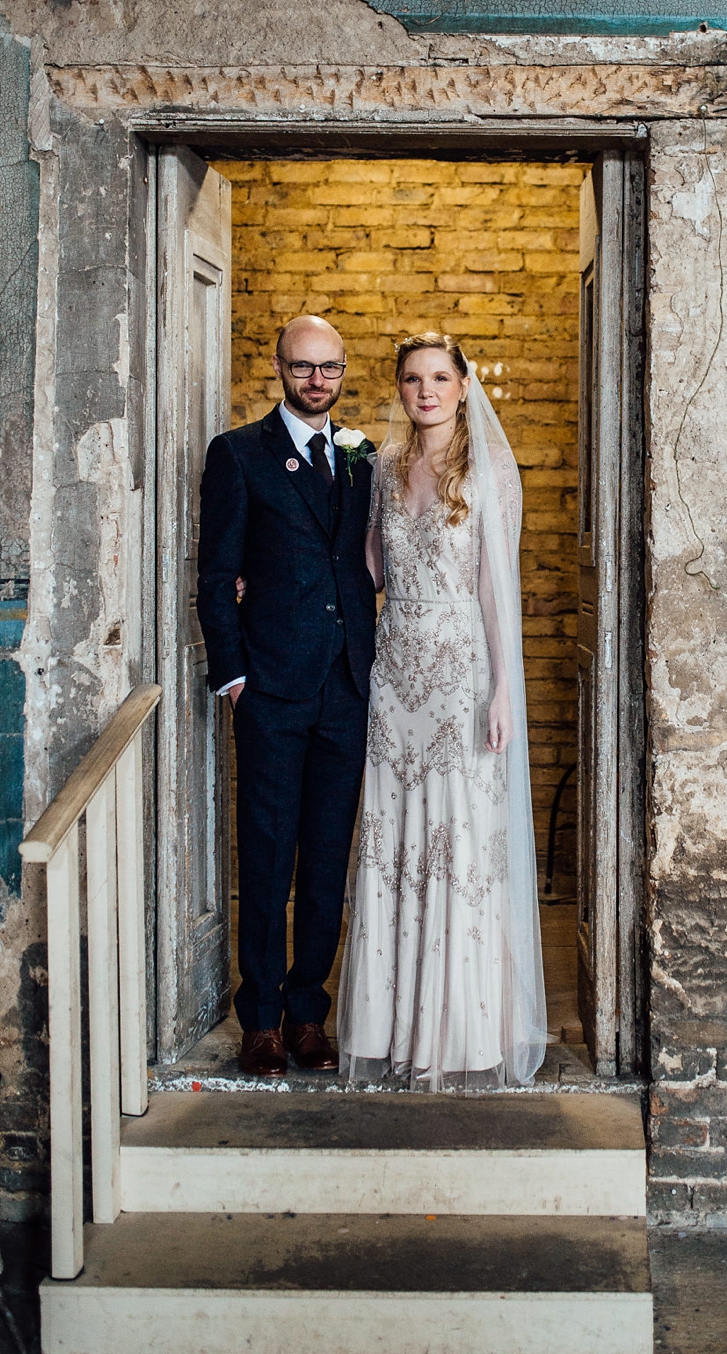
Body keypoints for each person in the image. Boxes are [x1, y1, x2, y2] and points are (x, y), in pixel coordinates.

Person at [337, 332, 547, 1089]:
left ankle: (457, 1034)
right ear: (399, 388)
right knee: (394, 843)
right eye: (411, 378)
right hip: (396, 675)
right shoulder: (385, 469)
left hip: (461, 671)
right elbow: (370, 570)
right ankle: (392, 1029)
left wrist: (503, 689)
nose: (424, 390)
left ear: (463, 386)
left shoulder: (489, 467)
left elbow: (496, 587)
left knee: (455, 843)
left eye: (438, 377)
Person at [196, 315, 377, 1077]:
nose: (317, 380)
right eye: (303, 367)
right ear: (279, 368)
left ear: (342, 371)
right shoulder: (239, 455)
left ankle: (310, 1014)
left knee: (328, 859)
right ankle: (261, 1020)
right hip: (270, 688)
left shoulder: (364, 458)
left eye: (329, 368)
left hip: (347, 687)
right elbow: (215, 574)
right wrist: (234, 677)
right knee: (268, 856)